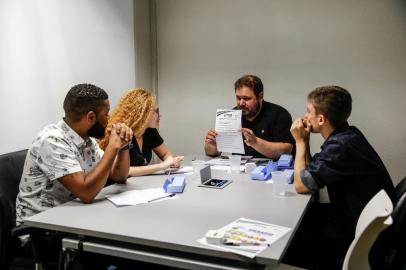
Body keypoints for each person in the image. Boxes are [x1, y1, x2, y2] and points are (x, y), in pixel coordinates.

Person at [285, 85, 395, 269]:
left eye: (308, 111)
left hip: (353, 228)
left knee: (289, 239)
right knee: (303, 219)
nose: (305, 117)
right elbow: (311, 171)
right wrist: (304, 141)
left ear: (321, 119)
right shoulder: (349, 134)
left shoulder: (340, 147)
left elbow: (302, 185)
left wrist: (300, 142)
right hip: (354, 216)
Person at [16, 84, 133, 225]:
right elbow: (86, 193)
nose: (108, 119)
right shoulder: (52, 140)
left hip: (72, 219)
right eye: (106, 114)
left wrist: (123, 146)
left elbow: (119, 176)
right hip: (40, 230)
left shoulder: (87, 140)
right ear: (90, 117)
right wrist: (112, 147)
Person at [204, 74, 294, 159]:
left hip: (269, 170)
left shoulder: (279, 114)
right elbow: (211, 152)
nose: (241, 103)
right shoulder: (233, 114)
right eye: (238, 98)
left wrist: (256, 143)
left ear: (260, 96)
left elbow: (287, 150)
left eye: (246, 98)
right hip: (239, 169)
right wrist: (213, 146)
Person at [99, 88, 184, 177]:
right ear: (143, 113)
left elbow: (166, 153)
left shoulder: (150, 131)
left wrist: (170, 162)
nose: (160, 115)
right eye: (156, 111)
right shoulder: (122, 132)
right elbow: (124, 171)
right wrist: (162, 166)